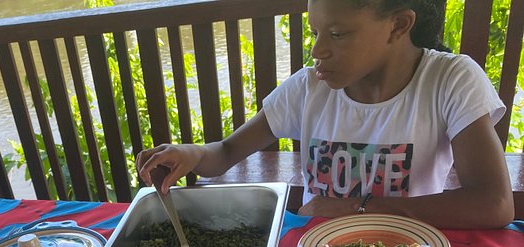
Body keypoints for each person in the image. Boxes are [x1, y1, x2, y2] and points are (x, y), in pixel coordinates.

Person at [136, 0, 514, 229]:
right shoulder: (308, 88)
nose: (317, 50)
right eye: (315, 31)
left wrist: (355, 208)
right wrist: (192, 154)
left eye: (337, 34)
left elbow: (494, 204)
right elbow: (226, 153)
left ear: (398, 25)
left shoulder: (449, 80)